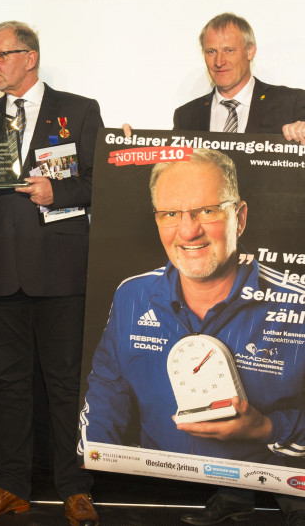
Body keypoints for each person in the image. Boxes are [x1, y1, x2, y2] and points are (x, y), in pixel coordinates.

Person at [81, 149, 305, 525]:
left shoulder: (297, 304)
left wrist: (267, 428)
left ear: (241, 217)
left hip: (285, 489)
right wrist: (95, 455)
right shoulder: (132, 295)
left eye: (207, 210)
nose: (187, 231)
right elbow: (108, 386)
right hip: (172, 492)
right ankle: (233, 497)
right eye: (170, 214)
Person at [0, 21, 102, 525]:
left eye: (0, 54)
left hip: (60, 270)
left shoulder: (79, 110)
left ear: (29, 57)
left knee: (65, 386)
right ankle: (10, 484)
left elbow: (98, 183)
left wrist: (55, 193)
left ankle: (74, 488)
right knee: (9, 385)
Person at [173, 12, 305, 525]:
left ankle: (295, 496)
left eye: (228, 50)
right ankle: (230, 495)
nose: (219, 61)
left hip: (277, 261)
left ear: (250, 51)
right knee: (223, 373)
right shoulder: (186, 114)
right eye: (210, 52)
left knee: (277, 375)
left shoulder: (293, 103)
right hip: (219, 265)